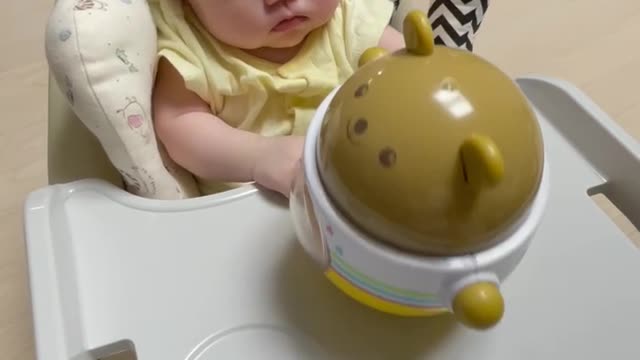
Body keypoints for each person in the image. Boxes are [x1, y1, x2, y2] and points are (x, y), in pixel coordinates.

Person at [149, 0, 405, 197]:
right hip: (246, 224)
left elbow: (416, 70)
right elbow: (179, 123)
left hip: (362, 198)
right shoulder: (190, 43)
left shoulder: (351, 18)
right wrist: (258, 157)